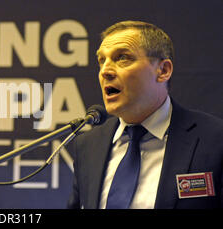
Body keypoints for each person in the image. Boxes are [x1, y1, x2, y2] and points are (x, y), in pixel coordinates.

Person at [67, 21, 223, 209]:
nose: (105, 71)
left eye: (122, 57)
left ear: (163, 71)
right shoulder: (89, 144)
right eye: (102, 60)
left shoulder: (214, 140)